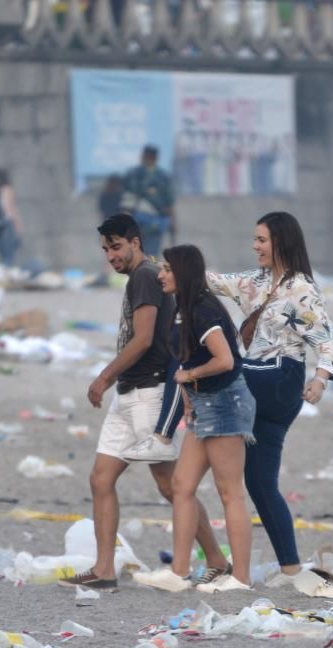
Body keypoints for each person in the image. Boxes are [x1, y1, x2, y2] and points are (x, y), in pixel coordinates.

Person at [58, 214, 229, 592]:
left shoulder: (145, 276)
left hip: (148, 393)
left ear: (135, 242)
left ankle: (217, 560)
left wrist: (104, 377)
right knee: (101, 478)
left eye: (116, 247)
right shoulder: (147, 275)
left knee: (171, 485)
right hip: (129, 393)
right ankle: (103, 569)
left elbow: (143, 338)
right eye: (105, 250)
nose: (111, 256)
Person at [206, 212, 333, 590]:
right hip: (258, 382)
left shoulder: (302, 289)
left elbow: (327, 343)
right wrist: (161, 266)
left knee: (224, 375)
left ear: (281, 242)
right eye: (254, 239)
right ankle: (292, 570)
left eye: (261, 240)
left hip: (281, 380)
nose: (255, 246)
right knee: (260, 483)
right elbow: (212, 281)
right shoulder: (253, 282)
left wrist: (320, 380)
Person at [132, 245, 256, 594]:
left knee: (230, 493)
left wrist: (190, 377)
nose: (161, 275)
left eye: (168, 269)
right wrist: (188, 396)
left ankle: (241, 578)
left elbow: (226, 359)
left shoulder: (203, 310)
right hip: (204, 405)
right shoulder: (182, 310)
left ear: (184, 272)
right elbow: (187, 359)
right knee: (181, 487)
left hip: (226, 404)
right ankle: (178, 572)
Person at [122, 145, 175, 257]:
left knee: (151, 252)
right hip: (137, 220)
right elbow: (127, 201)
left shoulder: (162, 176)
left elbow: (169, 202)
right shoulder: (134, 174)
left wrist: (172, 222)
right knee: (136, 251)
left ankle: (149, 273)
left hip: (155, 221)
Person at [0, 169, 23, 268]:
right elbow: (11, 211)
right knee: (9, 257)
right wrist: (18, 228)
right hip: (7, 226)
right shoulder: (7, 189)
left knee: (3, 256)